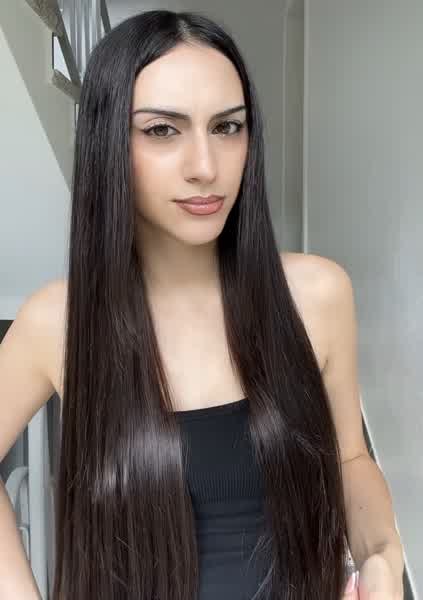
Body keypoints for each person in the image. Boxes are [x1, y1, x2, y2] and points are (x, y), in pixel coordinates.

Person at [0, 9, 404, 600]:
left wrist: (383, 555)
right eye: (163, 130)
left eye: (227, 127)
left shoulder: (318, 295)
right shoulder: (57, 322)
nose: (206, 168)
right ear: (108, 141)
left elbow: (348, 460)